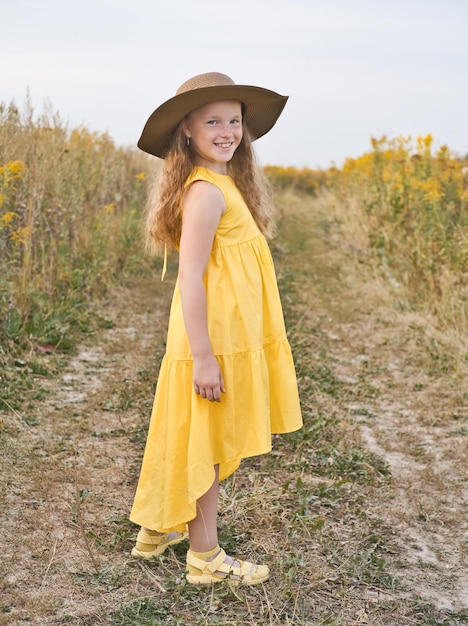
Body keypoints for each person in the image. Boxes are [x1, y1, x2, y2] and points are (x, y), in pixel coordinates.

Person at [129, 72, 302, 586]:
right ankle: (205, 558)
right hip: (212, 340)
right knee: (206, 440)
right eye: (213, 121)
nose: (227, 130)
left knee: (191, 433)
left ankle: (159, 526)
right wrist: (203, 356)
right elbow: (190, 279)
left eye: (234, 120)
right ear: (186, 129)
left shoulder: (224, 183)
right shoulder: (205, 193)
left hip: (228, 334)